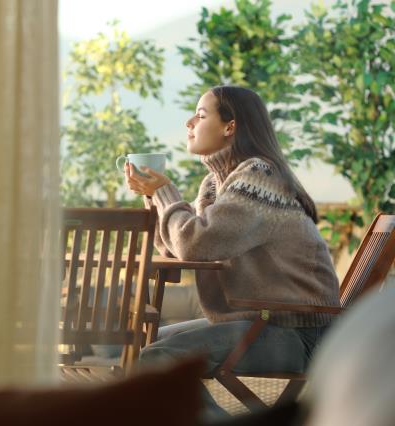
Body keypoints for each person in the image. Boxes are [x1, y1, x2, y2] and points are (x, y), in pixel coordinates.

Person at [123, 85, 340, 419]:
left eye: (200, 114)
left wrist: (165, 191)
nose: (188, 123)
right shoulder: (216, 184)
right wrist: (153, 197)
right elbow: (178, 247)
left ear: (230, 126)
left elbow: (197, 244)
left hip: (295, 332)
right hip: (261, 324)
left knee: (157, 361)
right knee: (140, 349)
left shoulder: (259, 177)